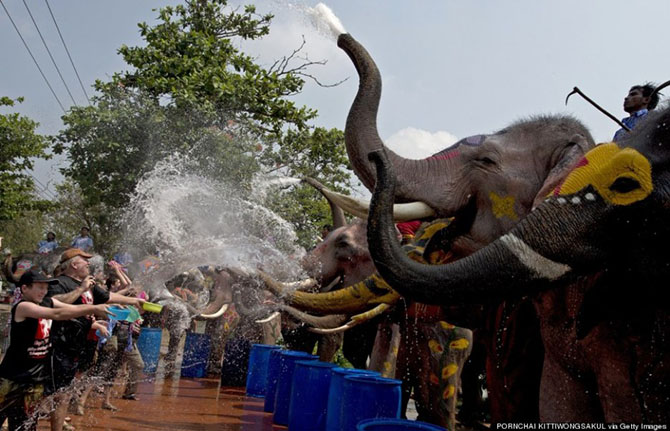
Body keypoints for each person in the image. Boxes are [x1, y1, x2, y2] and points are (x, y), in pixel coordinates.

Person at [47, 248, 144, 431]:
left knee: (64, 393)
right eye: (85, 261)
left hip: (79, 345)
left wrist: (133, 302)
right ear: (74, 265)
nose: (89, 263)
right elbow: (54, 303)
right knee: (53, 393)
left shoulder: (89, 285)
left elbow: (107, 297)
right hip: (60, 346)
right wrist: (81, 290)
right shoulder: (61, 282)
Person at [0, 270, 110, 431]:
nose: (44, 291)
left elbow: (69, 308)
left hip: (35, 380)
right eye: (39, 287)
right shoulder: (23, 307)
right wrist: (93, 309)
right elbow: (57, 314)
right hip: (11, 379)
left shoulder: (47, 301)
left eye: (46, 288)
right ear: (24, 289)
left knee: (25, 426)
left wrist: (101, 312)